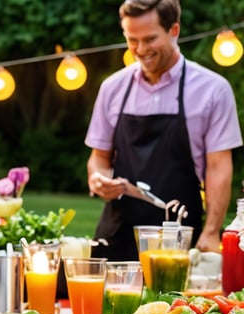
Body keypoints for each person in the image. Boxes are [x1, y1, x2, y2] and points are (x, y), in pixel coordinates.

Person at [85, 0, 242, 261]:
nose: (141, 49)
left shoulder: (213, 90)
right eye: (132, 40)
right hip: (116, 239)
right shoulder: (112, 88)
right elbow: (99, 158)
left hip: (179, 237)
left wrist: (212, 231)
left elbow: (218, 168)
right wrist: (99, 179)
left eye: (150, 39)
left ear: (174, 30)